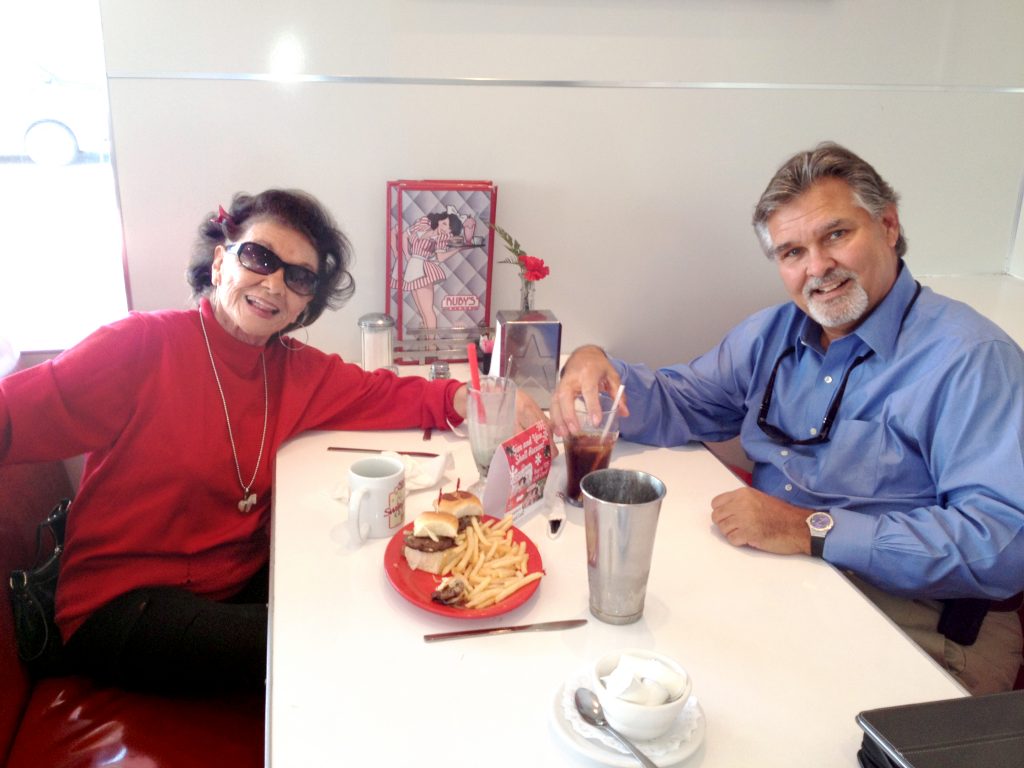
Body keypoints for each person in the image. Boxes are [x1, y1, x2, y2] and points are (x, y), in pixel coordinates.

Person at [0, 188, 543, 694]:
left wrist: (467, 400)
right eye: (259, 258)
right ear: (220, 262)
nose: (276, 284)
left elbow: (380, 393)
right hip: (121, 606)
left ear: (306, 305)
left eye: (299, 277)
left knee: (381, 591)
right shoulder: (141, 345)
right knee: (335, 644)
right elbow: (15, 415)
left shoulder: (292, 370)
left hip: (234, 586)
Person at [551, 143, 1024, 695]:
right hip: (786, 583)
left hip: (920, 625)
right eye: (792, 252)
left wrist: (810, 529)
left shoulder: (970, 359)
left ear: (889, 226)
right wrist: (594, 363)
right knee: (613, 667)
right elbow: (683, 401)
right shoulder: (772, 333)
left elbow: (1003, 544)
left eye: (836, 235)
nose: (817, 267)